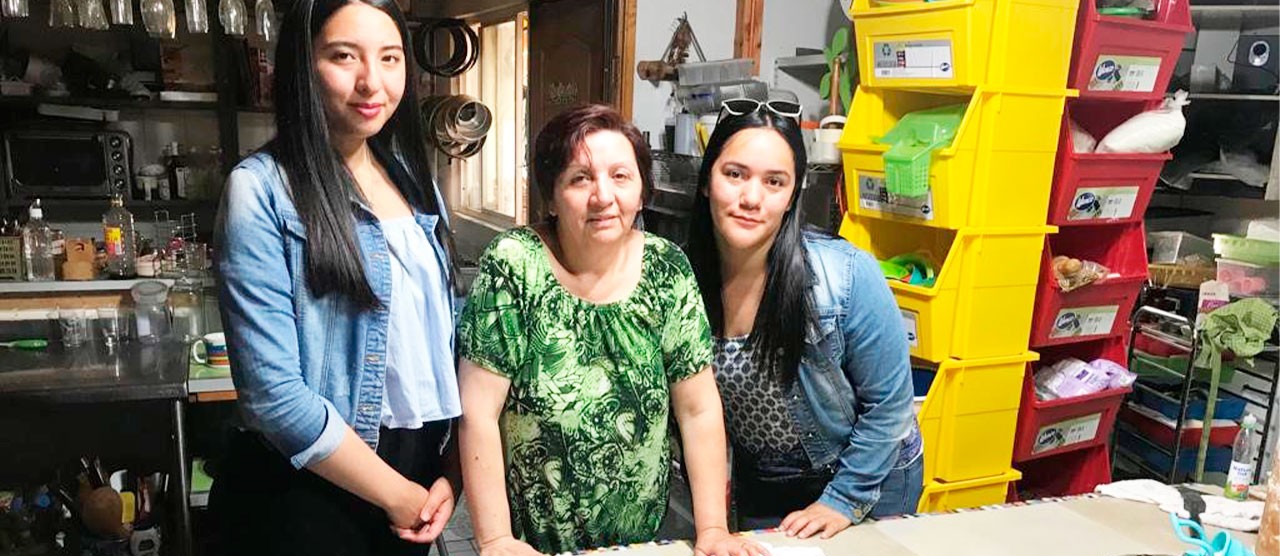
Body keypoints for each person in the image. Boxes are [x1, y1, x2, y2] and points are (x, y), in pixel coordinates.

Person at [210, 0, 460, 553]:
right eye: (345, 56)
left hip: (414, 482)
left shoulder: (417, 183)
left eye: (390, 57)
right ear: (303, 65)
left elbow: (447, 342)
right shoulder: (261, 190)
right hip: (305, 493)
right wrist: (396, 494)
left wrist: (453, 470)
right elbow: (274, 397)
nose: (372, 81)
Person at [457, 104, 762, 556]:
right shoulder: (516, 264)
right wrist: (495, 539)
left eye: (621, 176)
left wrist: (714, 528)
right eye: (580, 178)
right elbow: (477, 411)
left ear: (641, 193)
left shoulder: (666, 269)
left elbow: (697, 409)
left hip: (640, 544)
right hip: (533, 546)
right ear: (551, 196)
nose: (603, 196)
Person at [683, 99, 924, 539]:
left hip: (863, 474)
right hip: (763, 481)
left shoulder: (845, 275)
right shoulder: (683, 280)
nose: (751, 198)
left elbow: (890, 405)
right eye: (734, 174)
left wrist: (843, 499)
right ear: (706, 181)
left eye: (774, 182)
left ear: (793, 195)